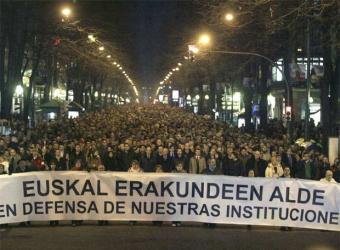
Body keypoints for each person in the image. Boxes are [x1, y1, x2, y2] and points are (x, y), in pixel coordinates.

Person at [171, 162, 187, 227]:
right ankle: (174, 221)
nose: (179, 167)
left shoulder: (185, 173)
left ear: (182, 167)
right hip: (174, 192)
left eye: (181, 166)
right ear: (176, 167)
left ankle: (179, 221)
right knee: (174, 207)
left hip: (182, 192)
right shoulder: (173, 172)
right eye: (178, 166)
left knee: (180, 207)